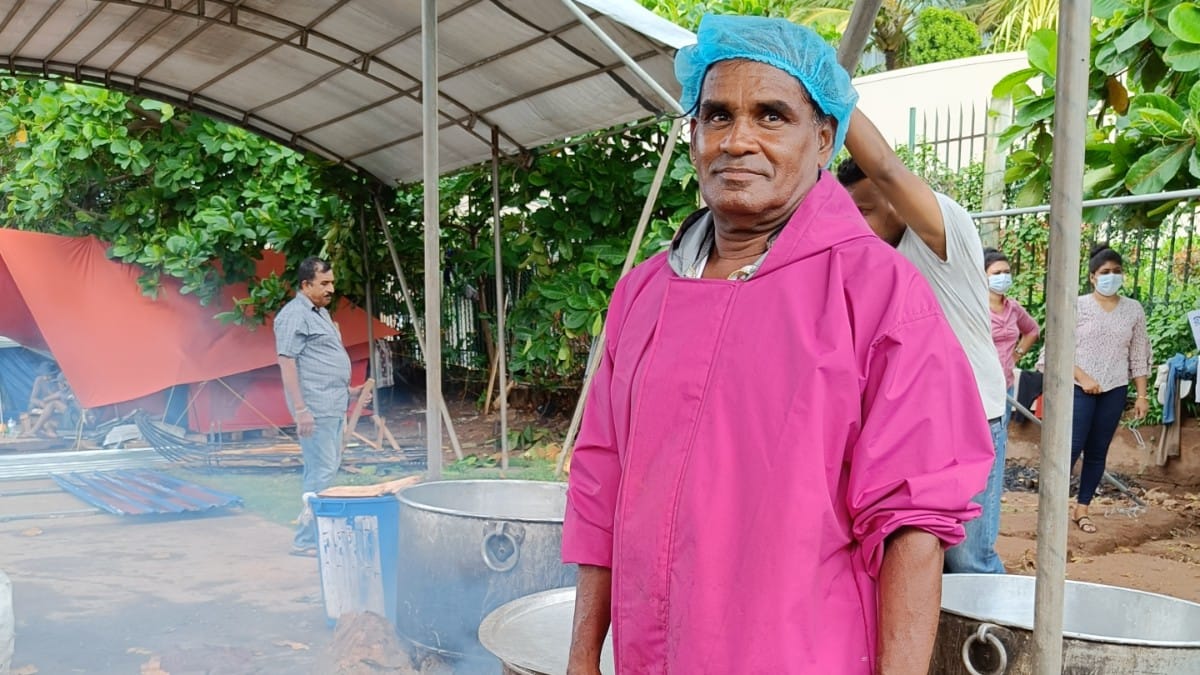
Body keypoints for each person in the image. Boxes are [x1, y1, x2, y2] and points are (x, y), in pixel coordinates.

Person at [562, 15, 993, 674]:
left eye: (771, 116)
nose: (738, 140)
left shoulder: (878, 294)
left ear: (823, 138)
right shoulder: (642, 295)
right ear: (693, 135)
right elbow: (600, 483)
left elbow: (913, 522)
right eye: (716, 116)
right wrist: (583, 655)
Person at [837, 112, 1009, 575]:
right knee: (917, 556)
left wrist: (833, 94)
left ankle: (993, 644)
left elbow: (888, 169)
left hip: (969, 415)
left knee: (968, 559)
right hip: (912, 427)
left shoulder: (940, 231)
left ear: (896, 201)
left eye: (867, 211)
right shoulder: (869, 263)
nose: (859, 226)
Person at [1047, 244, 1150, 534]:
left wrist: (1141, 395)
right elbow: (1057, 348)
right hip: (1079, 388)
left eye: (1117, 271)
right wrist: (1083, 377)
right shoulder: (1076, 305)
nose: (1111, 276)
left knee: (1097, 452)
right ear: (1092, 277)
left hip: (1114, 389)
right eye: (1105, 272)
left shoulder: (1133, 309)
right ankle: (1053, 509)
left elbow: (1138, 353)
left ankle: (1082, 510)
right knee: (1069, 447)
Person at [274, 256, 370, 557]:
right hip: (315, 410)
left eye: (332, 282)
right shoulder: (293, 315)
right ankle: (305, 540)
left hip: (332, 404)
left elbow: (319, 360)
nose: (331, 289)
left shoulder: (320, 313)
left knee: (323, 472)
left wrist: (349, 391)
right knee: (321, 474)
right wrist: (301, 410)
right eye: (324, 283)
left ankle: (316, 536)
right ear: (306, 285)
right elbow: (287, 364)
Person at [983, 247, 1040, 425]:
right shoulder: (976, 309)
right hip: (981, 385)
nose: (1003, 277)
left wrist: (1016, 355)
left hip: (1005, 384)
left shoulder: (1013, 308)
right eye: (997, 273)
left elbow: (1032, 331)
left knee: (1000, 435)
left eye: (1007, 272)